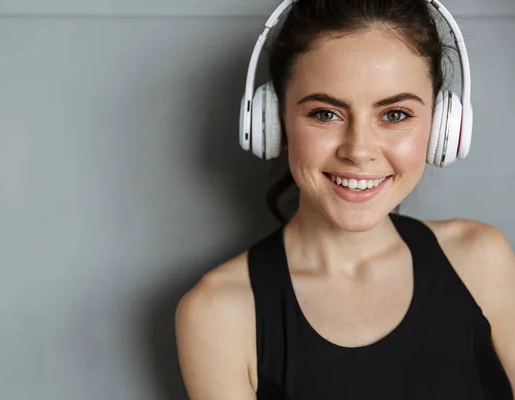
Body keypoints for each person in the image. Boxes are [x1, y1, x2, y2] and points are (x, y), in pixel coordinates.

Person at [175, 0, 515, 398]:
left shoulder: (481, 259)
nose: (359, 150)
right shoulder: (218, 313)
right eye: (325, 114)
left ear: (443, 126)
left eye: (395, 114)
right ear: (273, 122)